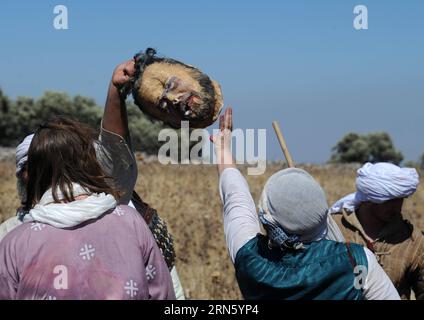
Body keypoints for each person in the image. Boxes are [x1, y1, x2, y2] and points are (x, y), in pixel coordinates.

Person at [0, 58, 185, 300]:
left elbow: (113, 151)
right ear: (86, 165)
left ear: (32, 176)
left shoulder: (14, 241)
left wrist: (116, 91)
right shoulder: (127, 220)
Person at [211, 108, 400, 300]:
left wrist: (222, 147)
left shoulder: (251, 260)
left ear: (269, 220)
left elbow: (236, 198)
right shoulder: (357, 261)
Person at [329, 162, 424, 300]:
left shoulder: (413, 241)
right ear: (371, 198)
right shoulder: (334, 228)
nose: (397, 208)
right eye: (390, 201)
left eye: (400, 200)